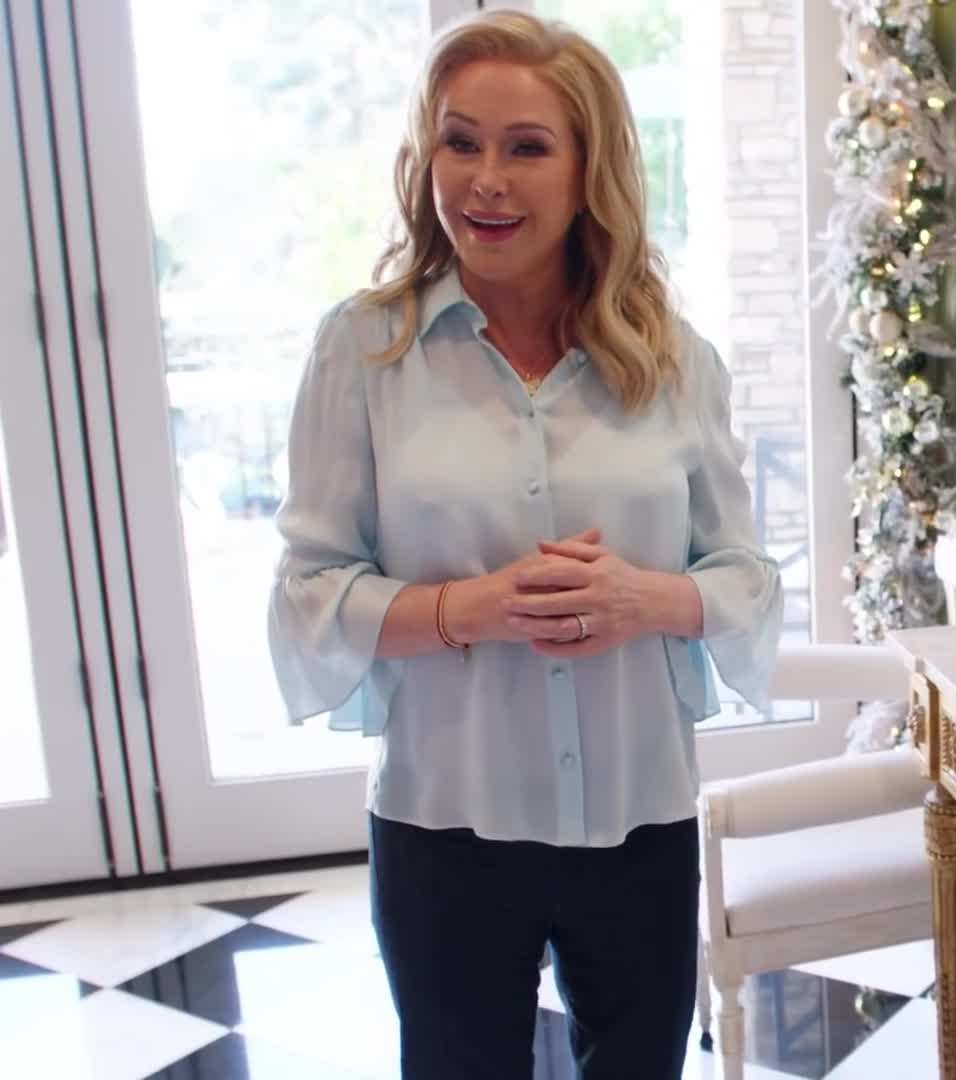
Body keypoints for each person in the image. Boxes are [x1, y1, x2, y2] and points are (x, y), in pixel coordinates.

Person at [265, 11, 780, 1078]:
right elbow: (309, 592)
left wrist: (651, 600)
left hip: (639, 817)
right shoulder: (363, 351)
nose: (485, 180)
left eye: (527, 147)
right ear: (427, 157)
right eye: (461, 142)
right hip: (444, 823)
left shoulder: (675, 361)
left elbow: (745, 580)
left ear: (591, 168)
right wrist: (471, 609)